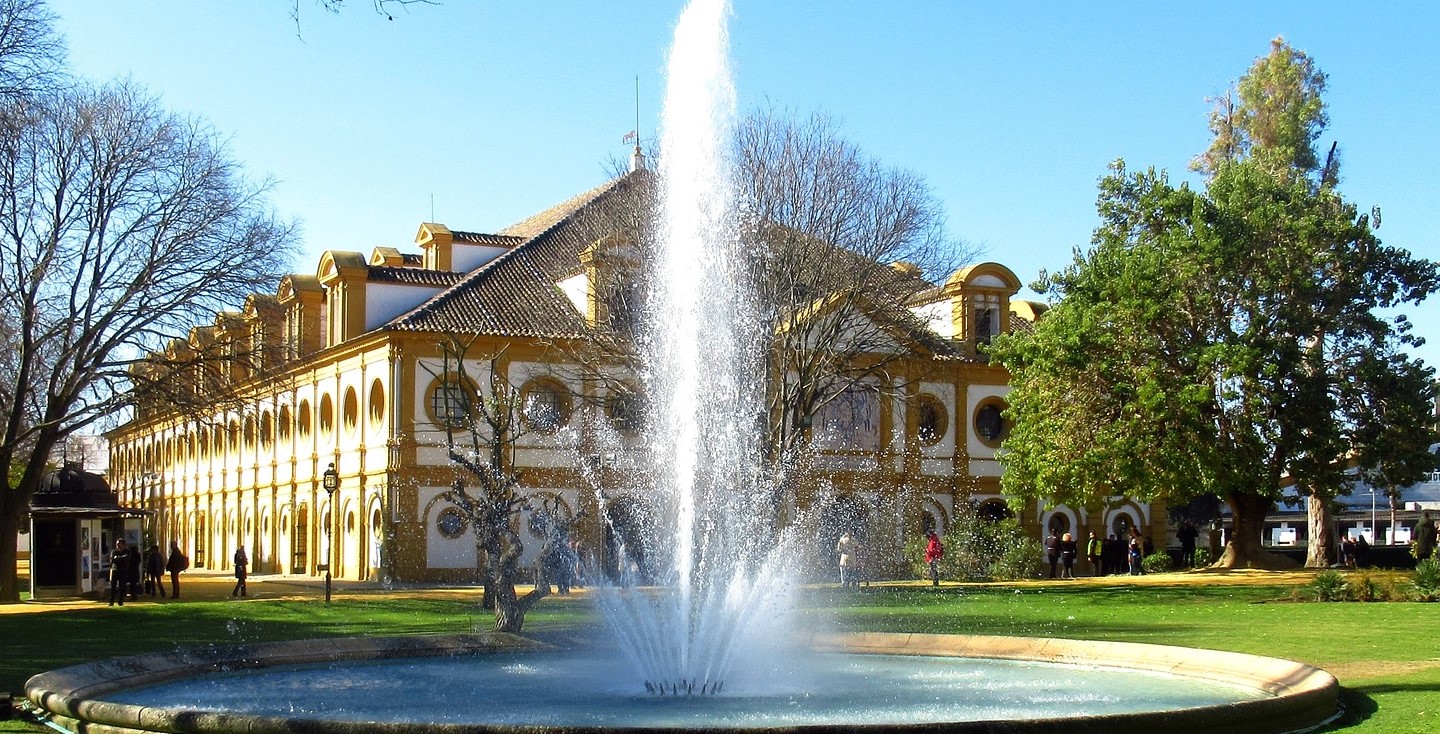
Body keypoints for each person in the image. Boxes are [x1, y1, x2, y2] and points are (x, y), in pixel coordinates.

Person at [108, 538, 130, 606]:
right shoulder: (114, 551)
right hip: (115, 570)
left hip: (123, 570)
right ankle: (111, 601)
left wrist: (117, 558)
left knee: (122, 586)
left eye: (118, 544)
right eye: (117, 544)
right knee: (113, 586)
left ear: (123, 544)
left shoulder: (127, 551)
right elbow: (112, 560)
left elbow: (126, 559)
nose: (117, 545)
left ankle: (120, 601)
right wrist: (120, 558)